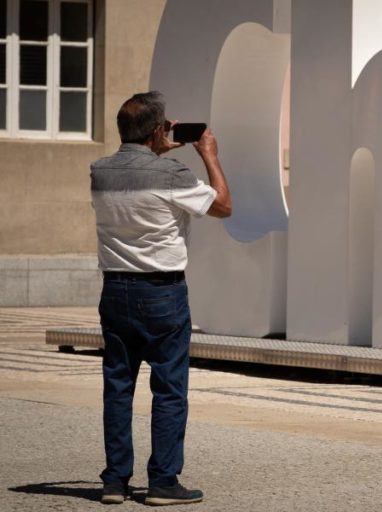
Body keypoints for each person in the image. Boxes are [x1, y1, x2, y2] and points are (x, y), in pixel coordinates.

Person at [91, 91, 231, 505]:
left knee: (118, 386)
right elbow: (223, 205)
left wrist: (152, 148)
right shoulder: (172, 174)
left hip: (115, 290)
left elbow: (134, 173)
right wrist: (209, 155)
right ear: (157, 130)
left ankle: (115, 481)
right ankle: (163, 482)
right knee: (169, 388)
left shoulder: (99, 171)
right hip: (161, 292)